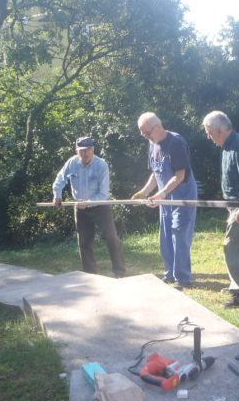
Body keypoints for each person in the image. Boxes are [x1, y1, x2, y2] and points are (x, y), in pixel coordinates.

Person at [202, 111, 239, 307]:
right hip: (237, 206)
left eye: (209, 133)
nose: (208, 137)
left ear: (219, 130)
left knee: (232, 246)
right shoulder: (229, 147)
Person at [133, 113, 197, 288]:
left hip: (183, 197)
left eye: (147, 133)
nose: (145, 137)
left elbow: (180, 175)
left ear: (157, 126)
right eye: (143, 134)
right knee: (166, 235)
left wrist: (160, 194)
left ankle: (183, 278)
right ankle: (170, 273)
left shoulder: (176, 142)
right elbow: (156, 172)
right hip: (165, 198)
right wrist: (145, 191)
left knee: (179, 234)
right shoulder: (152, 144)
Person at [52, 136, 126, 277]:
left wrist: (89, 202)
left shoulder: (101, 165)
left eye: (88, 150)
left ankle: (119, 272)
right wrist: (57, 194)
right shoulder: (71, 163)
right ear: (76, 151)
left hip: (100, 206)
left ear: (93, 150)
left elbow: (104, 193)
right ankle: (90, 275)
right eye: (82, 151)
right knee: (84, 242)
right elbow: (59, 180)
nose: (85, 154)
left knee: (112, 238)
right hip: (80, 207)